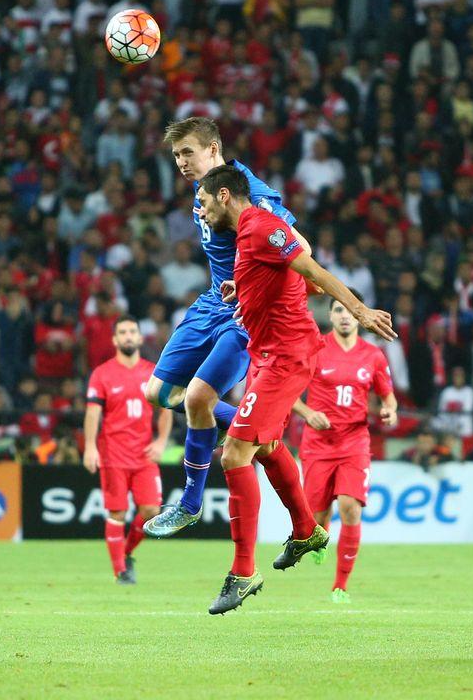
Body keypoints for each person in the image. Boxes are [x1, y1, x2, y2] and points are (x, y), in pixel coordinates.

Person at [194, 165, 396, 615]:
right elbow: (291, 280)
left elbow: (313, 272)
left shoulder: (264, 227)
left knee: (233, 454)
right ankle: (306, 529)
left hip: (287, 356)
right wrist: (242, 288)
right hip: (269, 354)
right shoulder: (248, 236)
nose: (202, 213)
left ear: (224, 195)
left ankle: (243, 572)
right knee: (264, 445)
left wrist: (359, 310)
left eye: (204, 204)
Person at [143, 116, 311, 538]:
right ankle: (254, 429)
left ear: (214, 149)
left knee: (197, 399)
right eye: (177, 155)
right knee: (159, 393)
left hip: (243, 315)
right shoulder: (203, 187)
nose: (181, 162)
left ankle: (189, 503)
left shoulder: (253, 196)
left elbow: (301, 249)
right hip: (210, 303)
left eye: (188, 152)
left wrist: (260, 293)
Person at [293, 290, 398, 604]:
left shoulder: (374, 356)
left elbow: (388, 396)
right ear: (330, 315)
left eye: (350, 311)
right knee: (316, 516)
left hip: (354, 441)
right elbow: (289, 393)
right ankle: (319, 538)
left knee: (350, 508)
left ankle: (340, 587)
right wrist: (309, 413)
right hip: (317, 444)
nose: (344, 316)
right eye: (338, 310)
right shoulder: (315, 349)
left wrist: (389, 410)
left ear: (359, 314)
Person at [83, 315, 172, 585]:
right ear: (115, 340)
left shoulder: (152, 371)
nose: (129, 336)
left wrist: (161, 442)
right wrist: (90, 447)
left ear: (140, 337)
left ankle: (125, 552)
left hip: (144, 456)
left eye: (132, 331)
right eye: (123, 332)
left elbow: (166, 407)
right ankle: (121, 570)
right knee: (118, 513)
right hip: (113, 455)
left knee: (150, 511)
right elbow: (92, 413)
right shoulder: (102, 374)